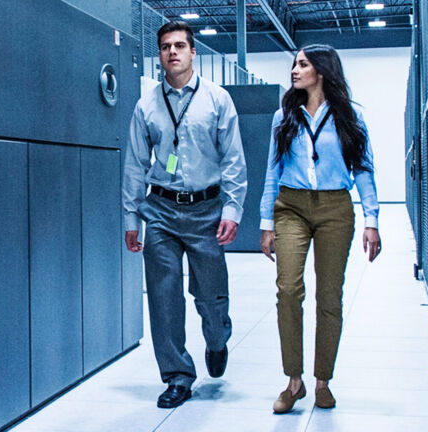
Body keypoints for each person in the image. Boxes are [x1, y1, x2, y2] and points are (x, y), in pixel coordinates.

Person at [122, 21, 247, 409]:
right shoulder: (146, 105)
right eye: (164, 47)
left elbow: (233, 160)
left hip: (207, 210)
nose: (172, 52)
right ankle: (177, 375)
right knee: (163, 297)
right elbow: (134, 165)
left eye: (179, 45)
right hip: (160, 210)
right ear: (158, 56)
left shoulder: (217, 99)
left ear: (194, 53)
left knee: (210, 295)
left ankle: (217, 337)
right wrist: (131, 218)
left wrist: (232, 208)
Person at [259, 44, 381, 414]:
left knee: (329, 296)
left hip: (335, 209)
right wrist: (267, 223)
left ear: (322, 71)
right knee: (288, 289)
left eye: (302, 64)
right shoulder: (284, 116)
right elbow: (271, 172)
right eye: (294, 65)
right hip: (290, 206)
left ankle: (322, 381)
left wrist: (372, 221)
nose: (295, 71)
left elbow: (364, 169)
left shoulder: (350, 117)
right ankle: (293, 381)